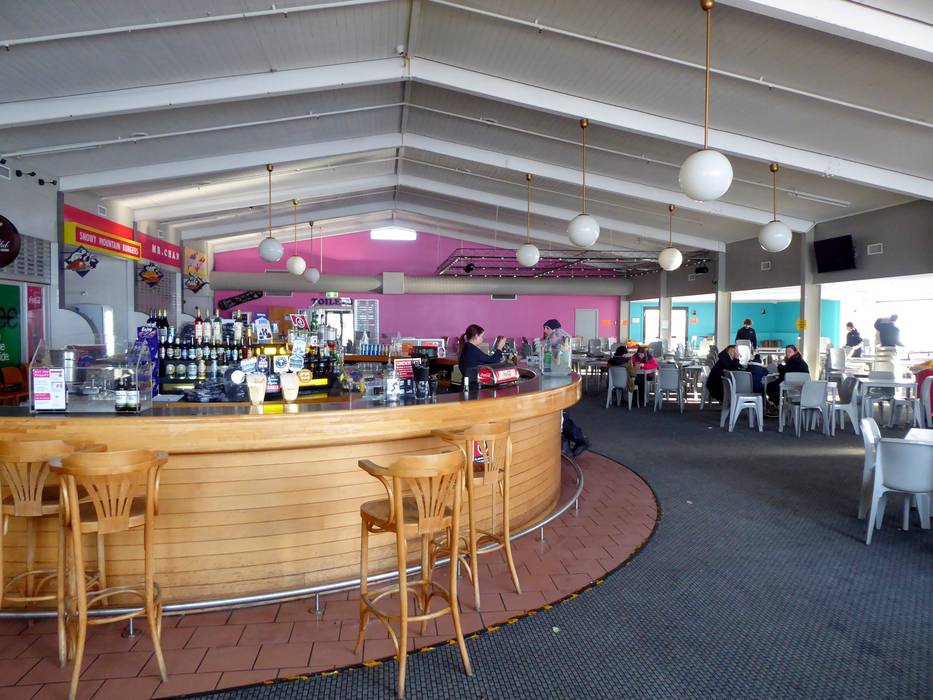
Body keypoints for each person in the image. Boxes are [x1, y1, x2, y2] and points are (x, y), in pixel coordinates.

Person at [766, 344, 810, 411]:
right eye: (786, 352)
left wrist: (780, 366)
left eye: (789, 352)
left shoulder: (794, 361)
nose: (787, 354)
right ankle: (778, 407)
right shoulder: (800, 361)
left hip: (791, 386)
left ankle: (779, 408)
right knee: (773, 386)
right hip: (802, 387)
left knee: (770, 386)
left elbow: (785, 371)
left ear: (795, 352)